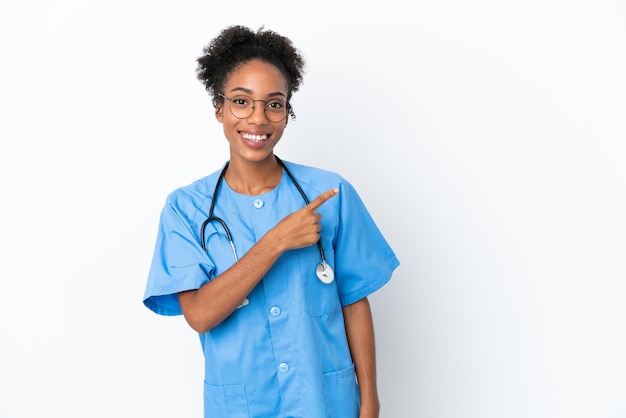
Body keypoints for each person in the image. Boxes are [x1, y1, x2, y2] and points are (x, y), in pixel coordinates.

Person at [143, 25, 400, 418]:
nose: (258, 119)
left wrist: (369, 401)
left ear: (287, 112)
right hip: (242, 407)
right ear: (219, 108)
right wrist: (276, 240)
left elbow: (354, 301)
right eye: (242, 102)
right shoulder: (185, 208)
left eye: (274, 104)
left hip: (324, 403)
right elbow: (199, 314)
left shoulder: (331, 193)